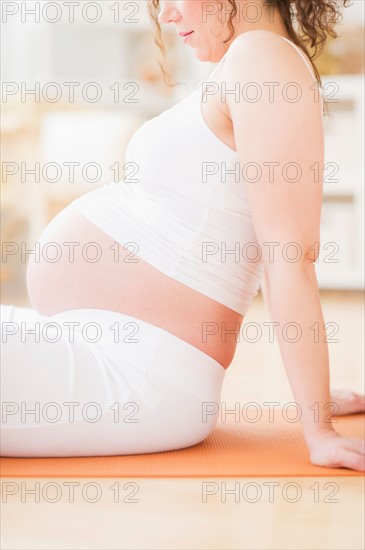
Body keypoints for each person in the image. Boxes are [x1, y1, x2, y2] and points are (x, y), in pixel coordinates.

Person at [1, 0, 364, 470]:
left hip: (134, 373)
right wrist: (314, 395)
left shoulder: (262, 57)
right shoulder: (251, 61)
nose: (167, 16)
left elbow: (289, 256)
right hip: (107, 351)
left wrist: (318, 428)